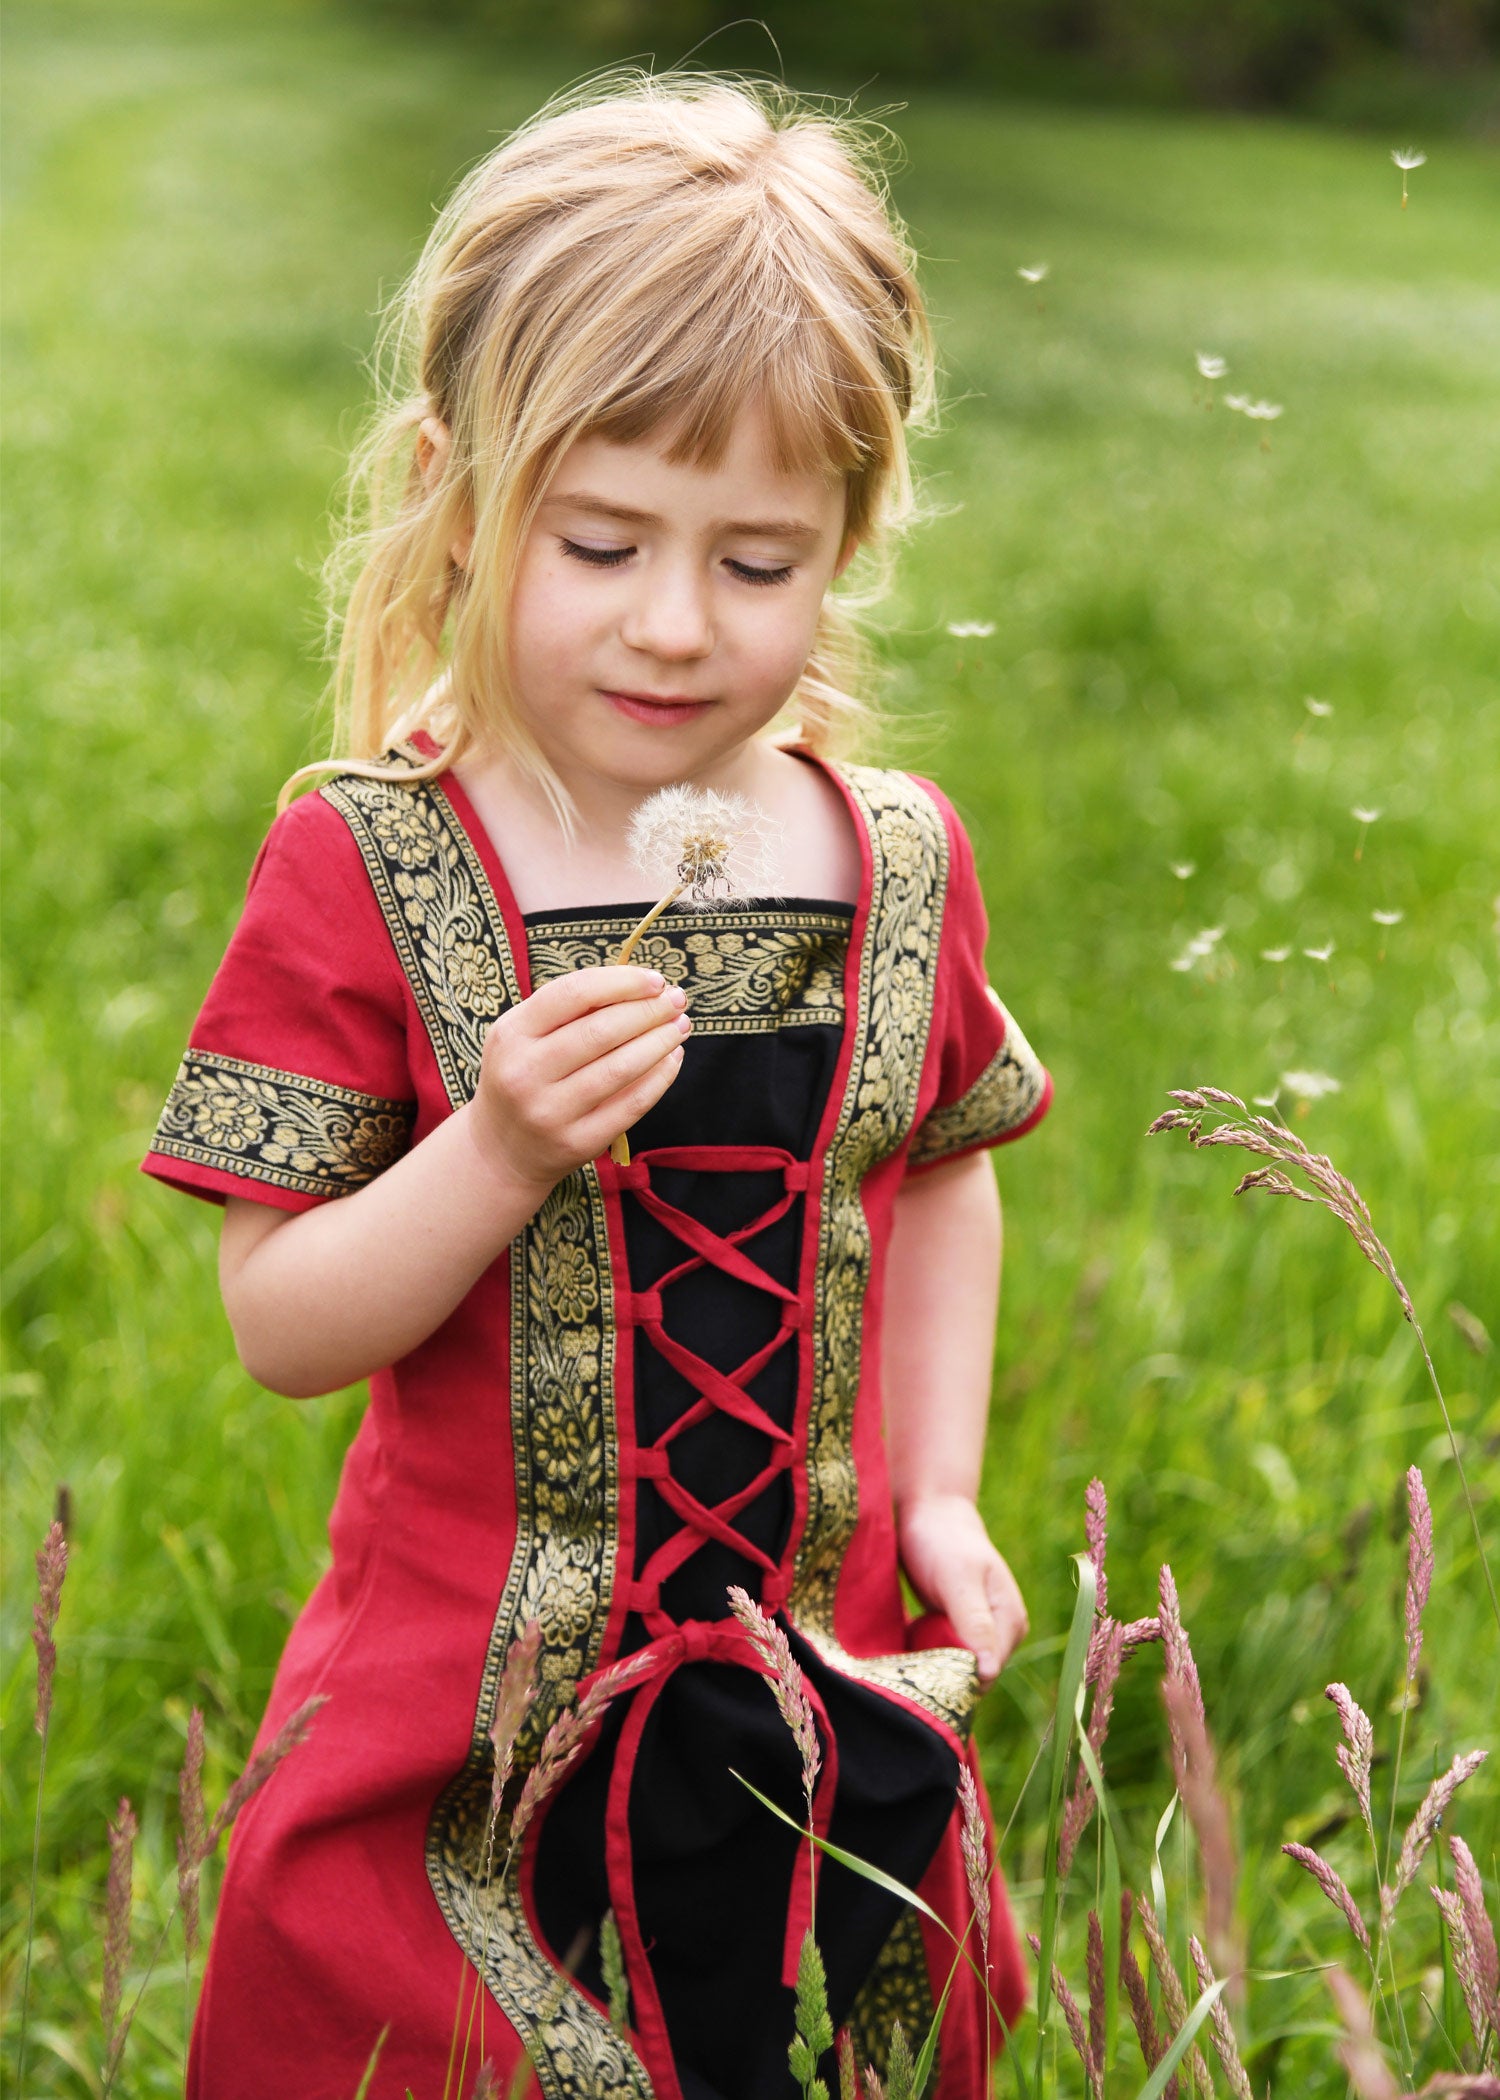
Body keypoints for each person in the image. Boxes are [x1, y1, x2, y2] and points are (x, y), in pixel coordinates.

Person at [143, 70, 1052, 2100]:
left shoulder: (892, 860)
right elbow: (282, 1325)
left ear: (853, 541)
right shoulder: (372, 862)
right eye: (605, 540)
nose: (672, 626)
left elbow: (939, 1172)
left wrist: (942, 1485)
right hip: (459, 1720)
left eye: (759, 562)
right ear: (463, 499)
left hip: (814, 1692)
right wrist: (496, 1147)